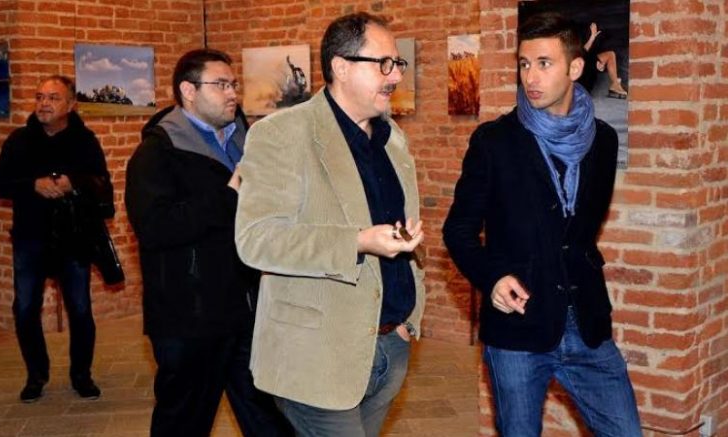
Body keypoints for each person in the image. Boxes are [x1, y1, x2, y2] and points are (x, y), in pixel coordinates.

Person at [443, 12, 642, 437]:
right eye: (524, 64)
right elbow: (458, 230)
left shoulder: (604, 141)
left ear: (575, 67)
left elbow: (581, 234)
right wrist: (492, 277)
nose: (530, 77)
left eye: (544, 63)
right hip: (518, 328)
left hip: (586, 324)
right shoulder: (494, 141)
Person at [235, 12, 425, 437]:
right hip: (316, 358)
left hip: (389, 345)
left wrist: (407, 322)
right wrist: (357, 241)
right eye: (384, 64)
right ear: (341, 67)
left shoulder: (392, 138)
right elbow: (256, 240)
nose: (396, 76)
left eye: (398, 63)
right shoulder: (282, 133)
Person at [125, 49, 292, 437]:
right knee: (184, 422)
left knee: (268, 417)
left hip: (247, 307)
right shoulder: (156, 153)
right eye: (220, 85)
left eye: (233, 84)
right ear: (188, 91)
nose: (232, 93)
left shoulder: (245, 140)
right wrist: (227, 196)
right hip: (190, 317)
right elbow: (154, 228)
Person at [0, 75, 112, 403]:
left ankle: (81, 375)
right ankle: (36, 375)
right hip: (30, 237)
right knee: (25, 308)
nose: (44, 104)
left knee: (80, 309)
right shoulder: (18, 140)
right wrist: (33, 185)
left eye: (53, 98)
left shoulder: (85, 141)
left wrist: (74, 182)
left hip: (74, 238)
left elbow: (103, 185)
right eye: (40, 97)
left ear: (70, 105)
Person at [581, 22, 628, 98]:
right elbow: (581, 53)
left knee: (610, 54)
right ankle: (615, 84)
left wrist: (597, 62)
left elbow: (585, 53)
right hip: (581, 80)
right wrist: (592, 37)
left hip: (586, 66)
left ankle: (615, 84)